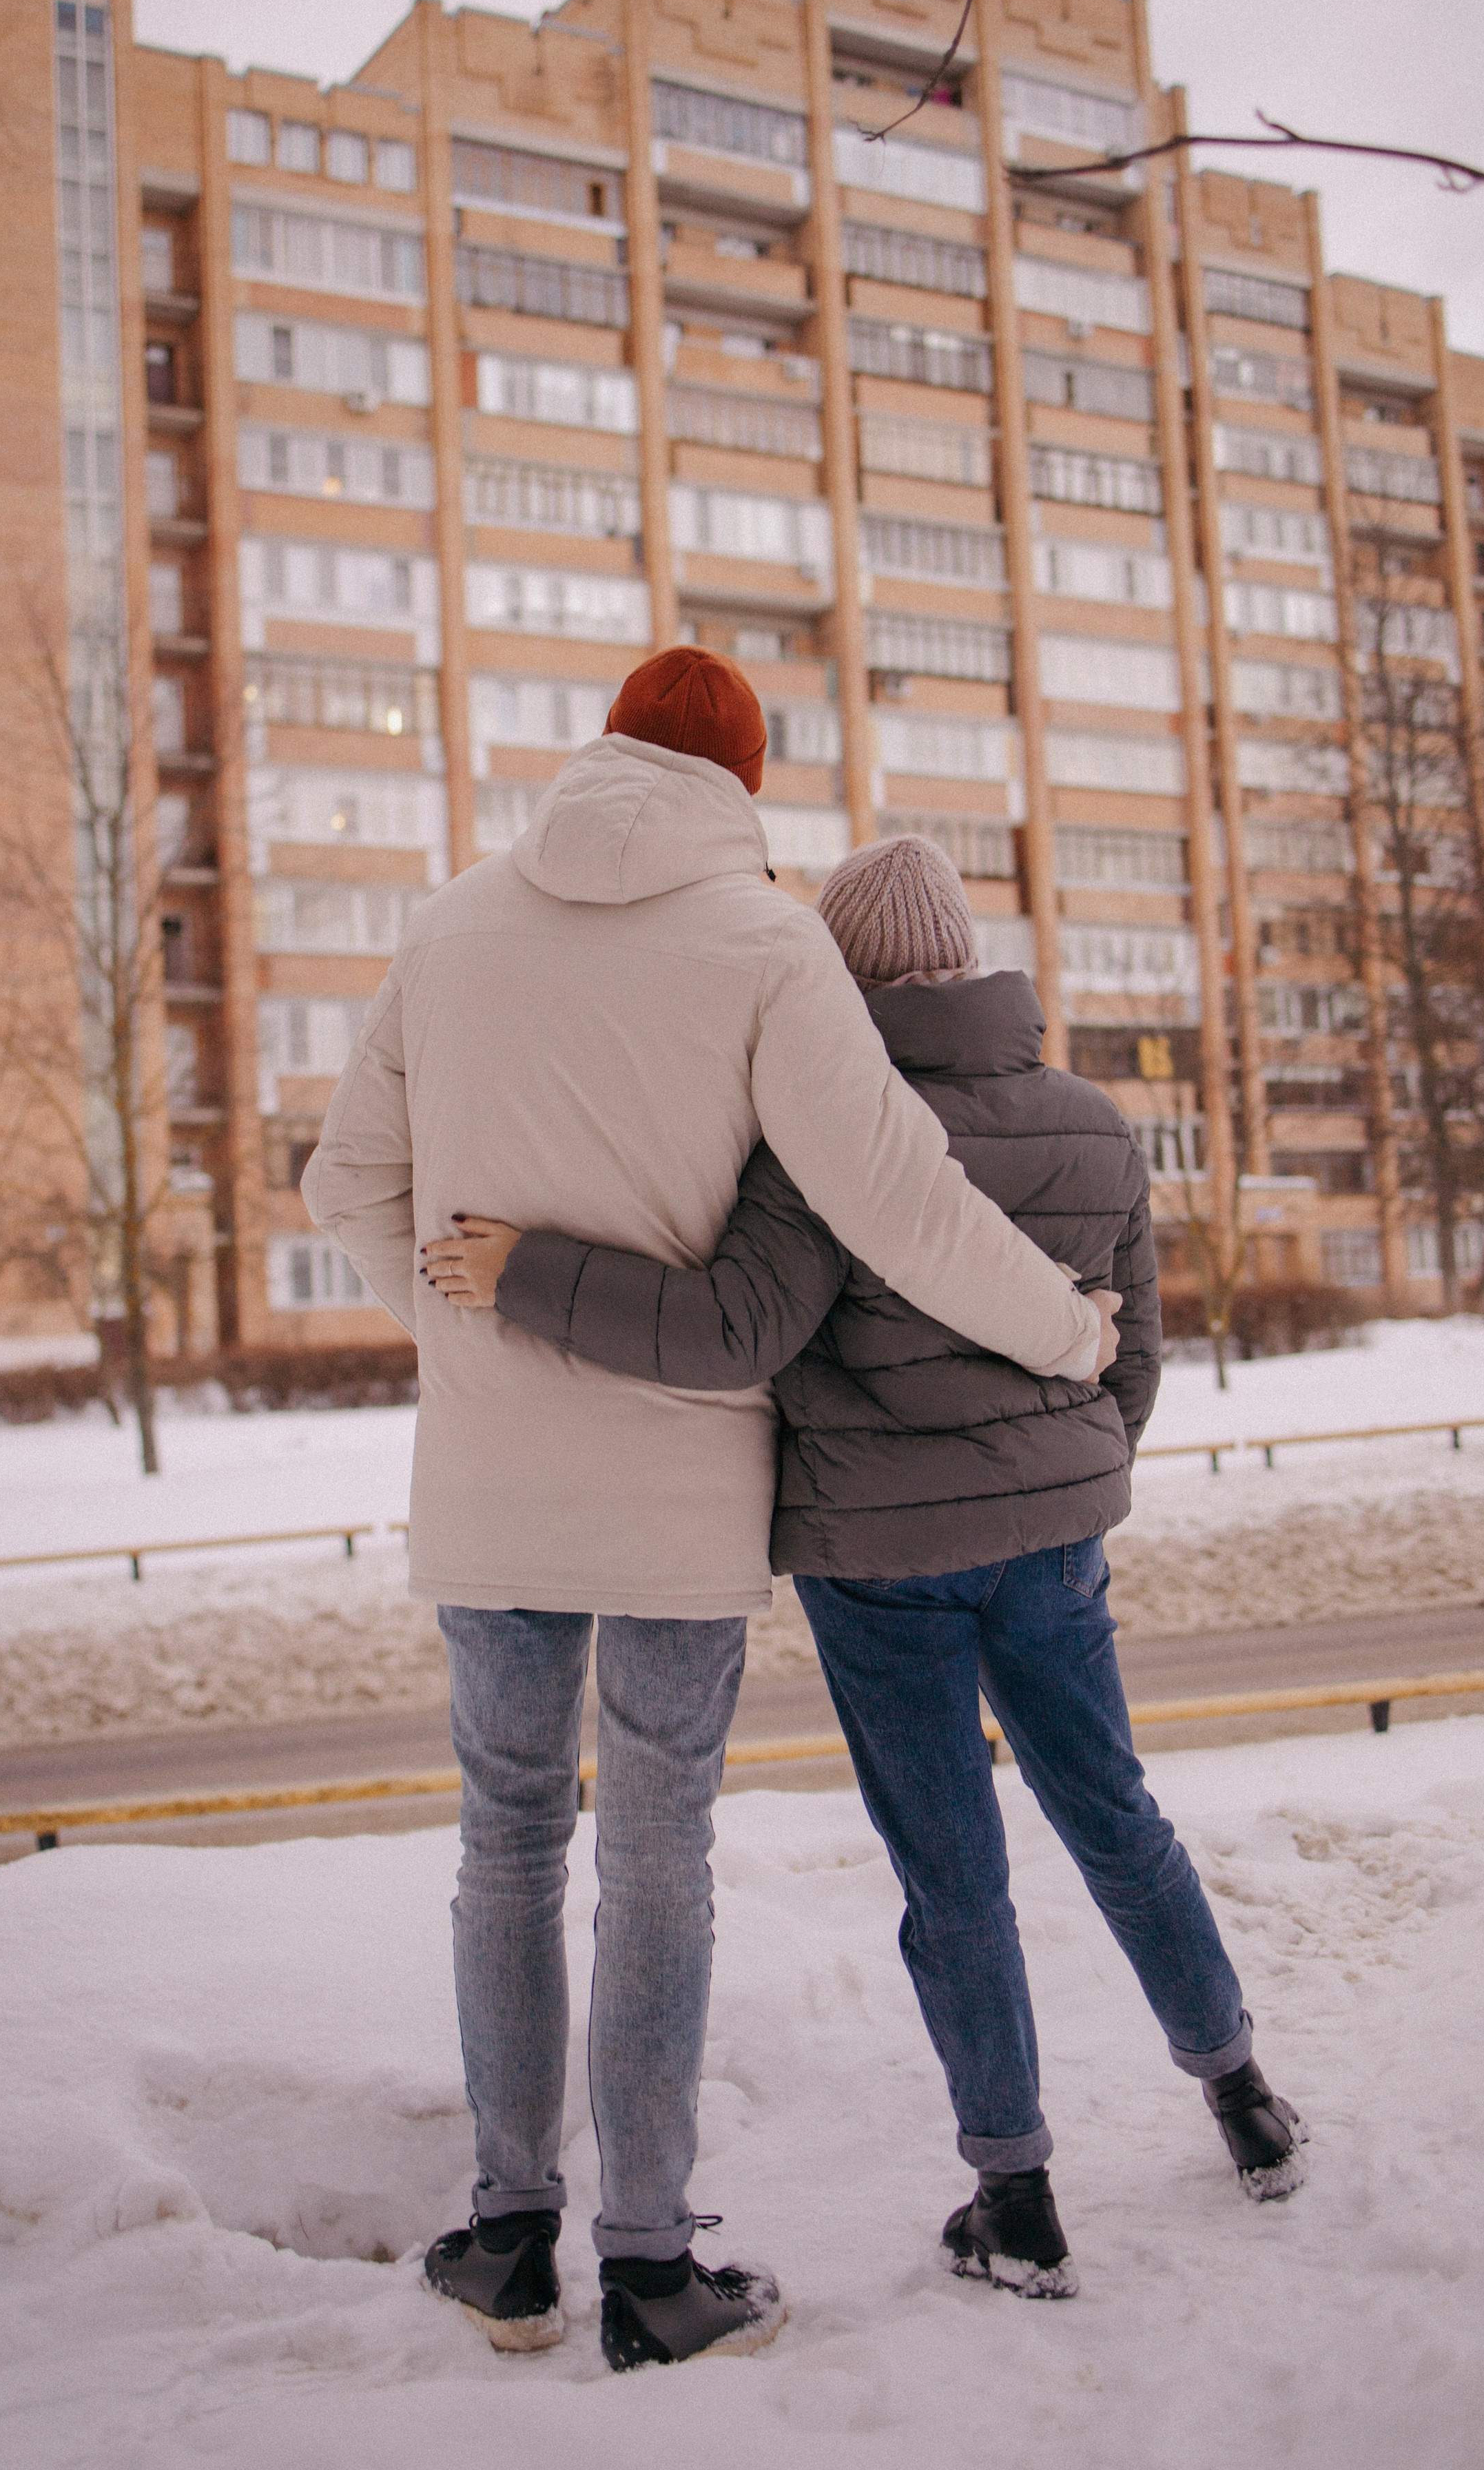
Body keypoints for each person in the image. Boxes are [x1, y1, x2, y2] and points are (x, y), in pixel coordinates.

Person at [302, 649, 1119, 2371]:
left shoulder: (450, 924)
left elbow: (344, 1183)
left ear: (602, 750)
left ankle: (508, 2233)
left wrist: (476, 1331)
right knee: (656, 1859)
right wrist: (1071, 1329)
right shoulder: (764, 942)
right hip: (682, 1486)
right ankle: (652, 2273)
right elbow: (899, 1202)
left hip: (490, 1480)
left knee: (505, 1847)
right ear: (742, 779)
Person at [424, 830, 1308, 2307]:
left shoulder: (823, 1132)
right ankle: (1244, 2101)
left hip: (879, 1563)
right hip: (1051, 1548)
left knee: (950, 1873)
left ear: (836, 971)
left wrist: (524, 1267)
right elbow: (1130, 1360)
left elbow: (731, 1329)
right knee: (1113, 1813)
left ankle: (1016, 2200)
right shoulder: (1093, 1124)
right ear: (968, 956)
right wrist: (1059, 1480)